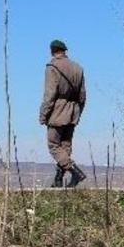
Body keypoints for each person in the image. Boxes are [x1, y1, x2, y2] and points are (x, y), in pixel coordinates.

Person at [39, 39, 87, 188]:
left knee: (53, 145)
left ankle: (75, 172)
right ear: (65, 51)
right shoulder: (78, 68)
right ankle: (58, 179)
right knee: (65, 146)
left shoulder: (52, 67)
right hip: (73, 111)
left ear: (52, 51)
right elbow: (83, 95)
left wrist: (43, 114)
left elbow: (50, 94)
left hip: (58, 111)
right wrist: (78, 112)